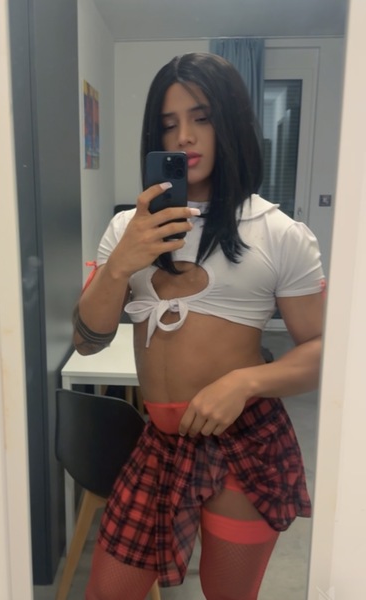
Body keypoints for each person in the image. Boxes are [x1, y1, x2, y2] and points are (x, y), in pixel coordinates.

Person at [72, 52, 324, 600]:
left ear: (230, 121)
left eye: (201, 117)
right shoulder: (128, 228)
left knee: (227, 595)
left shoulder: (279, 233)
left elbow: (323, 352)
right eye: (168, 124)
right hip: (161, 442)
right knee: (107, 592)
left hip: (245, 440)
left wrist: (246, 382)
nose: (184, 136)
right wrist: (120, 265)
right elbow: (87, 343)